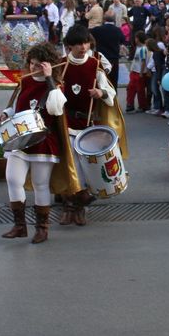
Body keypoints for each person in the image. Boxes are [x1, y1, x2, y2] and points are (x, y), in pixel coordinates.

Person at [0, 44, 73, 244]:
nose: (33, 67)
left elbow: (56, 108)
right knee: (13, 179)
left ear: (49, 65)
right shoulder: (25, 81)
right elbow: (16, 106)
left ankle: (42, 228)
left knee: (40, 184)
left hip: (43, 141)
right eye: (32, 63)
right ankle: (20, 226)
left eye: (39, 64)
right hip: (20, 139)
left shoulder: (56, 85)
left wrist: (49, 78)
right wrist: (4, 114)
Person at [58, 25, 121, 226]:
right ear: (69, 46)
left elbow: (110, 92)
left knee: (87, 169)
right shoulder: (61, 65)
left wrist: (100, 93)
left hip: (87, 124)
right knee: (71, 167)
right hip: (66, 123)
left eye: (85, 43)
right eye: (78, 44)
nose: (83, 47)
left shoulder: (95, 65)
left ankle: (79, 208)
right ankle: (69, 206)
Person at [126, 30, 148, 113]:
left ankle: (141, 105)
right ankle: (131, 104)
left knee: (139, 90)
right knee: (131, 88)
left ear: (138, 39)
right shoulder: (138, 48)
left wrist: (141, 72)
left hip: (139, 72)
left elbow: (143, 61)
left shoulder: (143, 49)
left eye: (136, 38)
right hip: (135, 71)